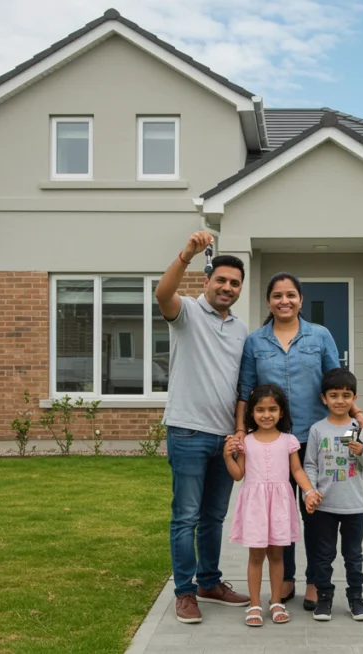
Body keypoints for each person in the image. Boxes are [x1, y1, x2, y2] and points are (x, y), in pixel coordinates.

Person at [235, 272, 363, 610]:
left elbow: (334, 380)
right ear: (269, 301)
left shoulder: (319, 335)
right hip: (275, 440)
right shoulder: (255, 341)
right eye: (278, 296)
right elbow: (245, 391)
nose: (285, 301)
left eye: (291, 295)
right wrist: (241, 429)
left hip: (315, 438)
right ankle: (285, 579)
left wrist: (356, 412)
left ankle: (315, 580)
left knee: (315, 513)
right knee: (279, 512)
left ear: (300, 299)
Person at [156, 231, 250, 624]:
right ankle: (185, 592)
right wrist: (186, 254)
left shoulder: (241, 329)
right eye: (222, 280)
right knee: (186, 517)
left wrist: (240, 430)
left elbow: (240, 384)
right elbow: (163, 294)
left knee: (214, 517)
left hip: (224, 436)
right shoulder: (188, 313)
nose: (227, 287)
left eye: (234, 283)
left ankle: (210, 582)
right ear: (208, 281)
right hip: (188, 432)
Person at [224, 385, 322, 627]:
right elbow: (238, 475)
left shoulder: (289, 441)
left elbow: (296, 470)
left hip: (279, 504)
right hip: (255, 506)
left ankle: (276, 601)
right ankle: (255, 604)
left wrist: (309, 491)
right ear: (251, 413)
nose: (266, 415)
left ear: (281, 412)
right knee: (256, 556)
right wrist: (228, 456)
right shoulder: (245, 441)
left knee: (277, 555)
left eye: (272, 409)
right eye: (260, 410)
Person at [302, 368, 363, 622]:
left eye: (346, 395)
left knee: (353, 555)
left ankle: (356, 598)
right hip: (325, 506)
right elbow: (310, 465)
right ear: (324, 398)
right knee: (324, 555)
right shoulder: (318, 430)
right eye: (334, 395)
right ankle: (324, 598)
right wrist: (310, 491)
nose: (340, 401)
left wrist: (360, 452)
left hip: (353, 506)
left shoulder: (358, 428)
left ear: (354, 398)